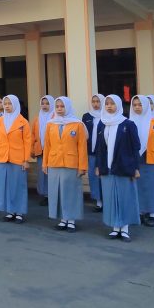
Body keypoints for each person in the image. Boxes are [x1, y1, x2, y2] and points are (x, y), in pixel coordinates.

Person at [95, 94, 141, 242]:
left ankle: (125, 228)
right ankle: (115, 228)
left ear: (118, 105)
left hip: (124, 167)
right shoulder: (102, 124)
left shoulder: (128, 124)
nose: (109, 106)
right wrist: (98, 165)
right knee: (110, 198)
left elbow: (136, 147)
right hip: (107, 168)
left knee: (124, 198)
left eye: (112, 103)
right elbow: (99, 148)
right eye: (107, 103)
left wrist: (135, 168)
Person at [43, 97, 88, 232]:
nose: (59, 109)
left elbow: (82, 147)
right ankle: (63, 220)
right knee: (57, 191)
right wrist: (44, 164)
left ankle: (71, 220)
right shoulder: (50, 124)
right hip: (54, 162)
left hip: (71, 163)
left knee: (71, 192)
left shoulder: (77, 124)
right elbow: (47, 145)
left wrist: (82, 166)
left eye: (62, 106)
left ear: (67, 107)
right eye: (57, 106)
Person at [0, 95, 32, 223]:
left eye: (10, 103)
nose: (7, 106)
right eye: (5, 104)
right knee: (6, 185)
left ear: (15, 104)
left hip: (18, 158)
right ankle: (10, 211)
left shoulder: (23, 122)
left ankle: (19, 212)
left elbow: (27, 142)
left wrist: (26, 160)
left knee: (18, 185)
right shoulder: (0, 121)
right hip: (2, 157)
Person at [130, 95, 154, 227]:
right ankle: (140, 212)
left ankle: (152, 214)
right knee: (138, 187)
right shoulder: (129, 123)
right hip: (136, 160)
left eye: (140, 105)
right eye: (135, 105)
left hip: (152, 160)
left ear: (146, 105)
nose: (137, 107)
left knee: (153, 187)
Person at [82, 94, 105, 212]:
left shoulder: (107, 116)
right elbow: (83, 134)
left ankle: (107, 200)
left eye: (98, 101)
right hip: (91, 151)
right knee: (93, 176)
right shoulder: (87, 116)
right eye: (93, 101)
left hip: (105, 152)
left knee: (104, 175)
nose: (95, 104)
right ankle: (98, 201)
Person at [31, 95, 54, 206]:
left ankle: (54, 195)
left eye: (47, 103)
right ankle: (46, 195)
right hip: (41, 150)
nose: (44, 106)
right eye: (43, 103)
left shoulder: (55, 117)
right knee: (42, 174)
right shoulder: (37, 118)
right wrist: (32, 149)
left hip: (53, 151)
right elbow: (32, 135)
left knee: (52, 173)